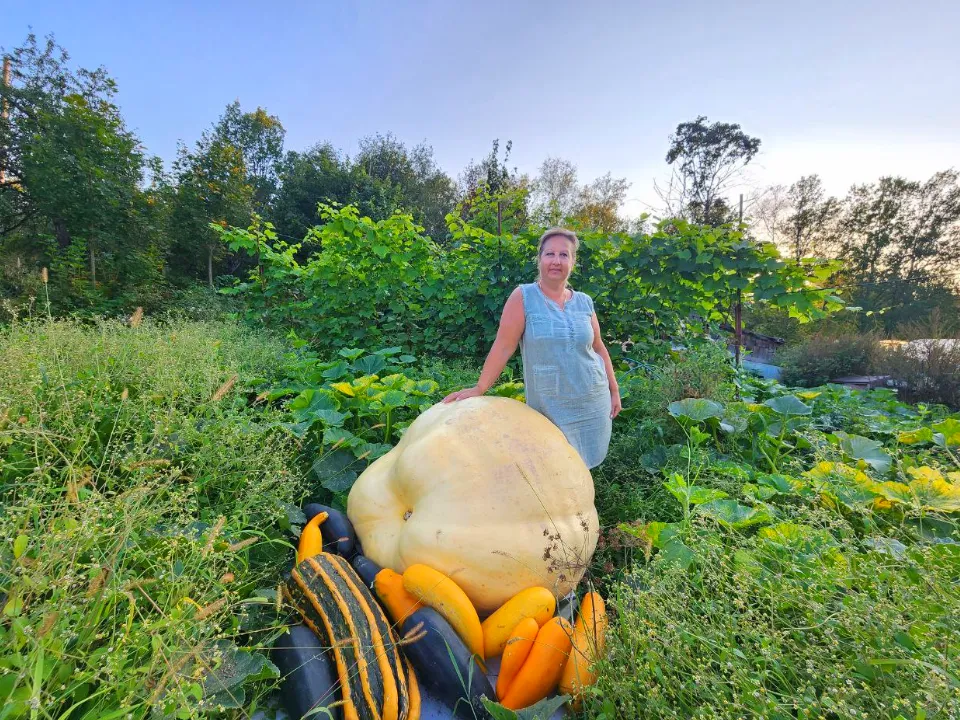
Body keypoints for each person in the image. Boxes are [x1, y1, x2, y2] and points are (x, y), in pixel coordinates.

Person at [442, 227, 621, 469]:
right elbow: (504, 346)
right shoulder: (523, 297)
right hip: (550, 407)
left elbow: (598, 347)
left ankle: (580, 505)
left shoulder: (584, 302)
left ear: (573, 261)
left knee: (583, 468)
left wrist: (613, 389)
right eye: (550, 254)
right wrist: (480, 387)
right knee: (552, 466)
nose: (556, 261)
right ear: (540, 259)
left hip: (591, 401)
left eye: (564, 255)